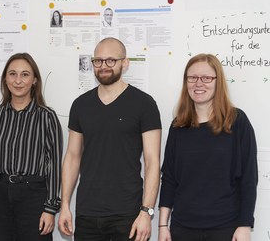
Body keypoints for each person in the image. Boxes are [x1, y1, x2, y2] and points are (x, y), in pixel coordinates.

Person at [58, 37, 162, 241]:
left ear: (125, 62)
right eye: (98, 61)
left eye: (110, 60)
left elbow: (152, 162)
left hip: (128, 215)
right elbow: (72, 157)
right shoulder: (80, 105)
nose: (103, 66)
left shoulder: (144, 104)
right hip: (87, 214)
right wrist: (64, 206)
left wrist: (146, 212)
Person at [158, 53, 258, 241]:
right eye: (192, 78)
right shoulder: (178, 126)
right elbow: (170, 178)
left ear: (217, 81)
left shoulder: (237, 122)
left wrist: (245, 225)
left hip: (225, 228)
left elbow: (248, 178)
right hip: (182, 228)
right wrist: (163, 225)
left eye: (206, 78)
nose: (198, 83)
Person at [0, 53, 63, 241]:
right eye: (12, 74)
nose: (18, 81)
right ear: (5, 79)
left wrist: (50, 208)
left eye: (25, 74)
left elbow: (54, 165)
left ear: (35, 80)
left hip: (34, 197)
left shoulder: (47, 117)